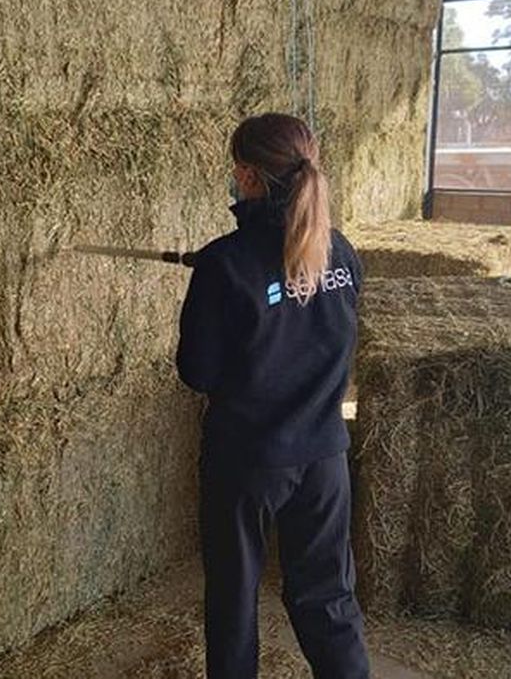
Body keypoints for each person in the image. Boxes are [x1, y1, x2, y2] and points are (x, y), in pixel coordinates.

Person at [176, 113, 370, 679]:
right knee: (327, 596)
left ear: (249, 175)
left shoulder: (224, 263)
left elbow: (199, 372)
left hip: (247, 460)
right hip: (325, 458)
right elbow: (324, 331)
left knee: (235, 598)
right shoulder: (340, 250)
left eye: (236, 170)